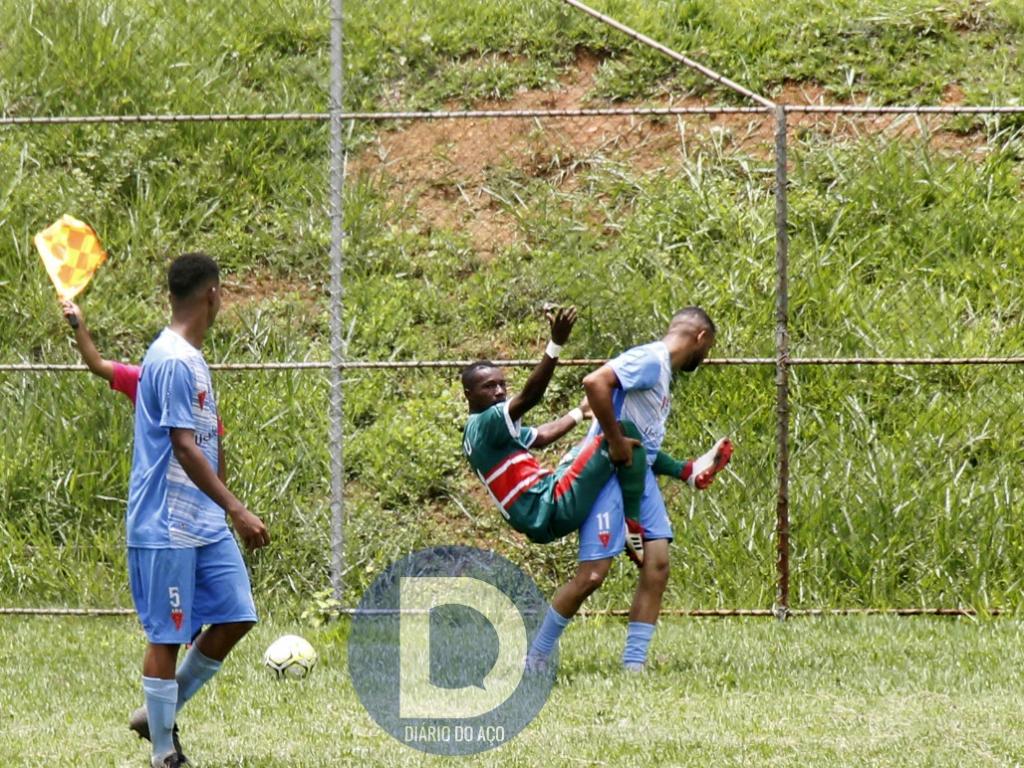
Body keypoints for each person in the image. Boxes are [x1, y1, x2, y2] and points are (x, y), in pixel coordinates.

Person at [527, 307, 732, 672]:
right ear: (701, 338)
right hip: (608, 473)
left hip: (640, 474)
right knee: (592, 576)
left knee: (658, 564)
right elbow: (595, 382)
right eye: (708, 348)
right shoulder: (650, 360)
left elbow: (644, 445)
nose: (705, 356)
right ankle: (536, 656)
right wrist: (616, 439)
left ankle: (633, 667)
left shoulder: (662, 372)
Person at [124, 253, 268, 768]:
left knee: (237, 614)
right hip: (166, 522)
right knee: (166, 635)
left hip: (204, 521)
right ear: (213, 294)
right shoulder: (171, 359)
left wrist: (222, 507)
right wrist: (237, 508)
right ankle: (164, 751)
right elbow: (183, 446)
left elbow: (208, 438)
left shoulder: (192, 356)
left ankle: (157, 713)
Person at [461, 306, 649, 556]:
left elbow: (540, 436)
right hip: (549, 506)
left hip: (540, 514)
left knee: (584, 447)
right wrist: (555, 345)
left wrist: (579, 412)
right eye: (489, 386)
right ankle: (633, 523)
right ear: (469, 394)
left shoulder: (479, 433)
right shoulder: (487, 421)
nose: (499, 391)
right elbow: (529, 397)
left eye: (502, 384)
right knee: (621, 432)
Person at [60, 300, 226, 481]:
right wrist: (78, 325)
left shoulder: (200, 389)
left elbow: (215, 444)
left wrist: (222, 496)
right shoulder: (142, 379)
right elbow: (97, 364)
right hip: (157, 484)